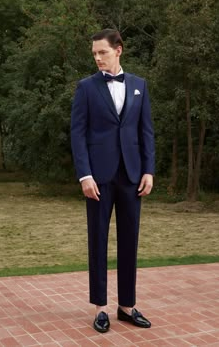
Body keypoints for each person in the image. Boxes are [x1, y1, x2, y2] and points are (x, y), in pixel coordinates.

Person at [71, 29, 155, 333]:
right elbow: (77, 134)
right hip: (98, 178)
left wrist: (149, 170)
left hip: (132, 176)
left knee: (129, 242)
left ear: (118, 50)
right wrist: (84, 175)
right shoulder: (86, 88)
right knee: (98, 241)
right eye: (94, 53)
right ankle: (100, 308)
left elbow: (145, 132)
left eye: (102, 52)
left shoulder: (139, 86)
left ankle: (127, 306)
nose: (97, 58)